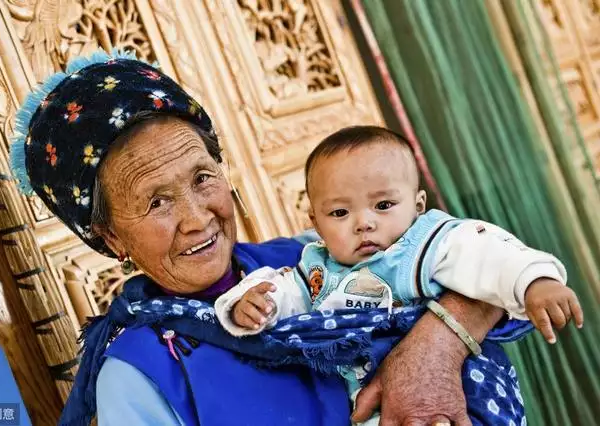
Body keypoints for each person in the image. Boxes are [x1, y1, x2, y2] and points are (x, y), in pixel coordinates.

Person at [10, 50, 528, 426]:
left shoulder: (309, 259)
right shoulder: (137, 377)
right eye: (157, 202)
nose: (197, 218)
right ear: (110, 236)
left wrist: (436, 345)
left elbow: (477, 262)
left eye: (202, 177)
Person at [215, 126, 584, 425]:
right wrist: (253, 304)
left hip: (455, 388)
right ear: (315, 223)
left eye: (384, 205)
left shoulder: (424, 245)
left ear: (418, 205)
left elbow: (489, 254)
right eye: (340, 213)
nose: (364, 223)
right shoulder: (316, 265)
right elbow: (285, 291)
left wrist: (536, 282)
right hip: (368, 399)